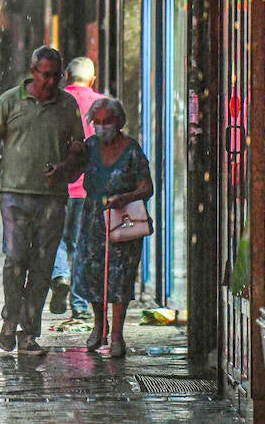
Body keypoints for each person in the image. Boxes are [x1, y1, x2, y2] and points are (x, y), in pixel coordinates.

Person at [0, 46, 86, 355]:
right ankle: (10, 318)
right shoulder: (11, 101)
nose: (50, 82)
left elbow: (79, 150)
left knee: (41, 265)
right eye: (44, 75)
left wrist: (64, 168)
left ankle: (28, 331)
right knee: (15, 261)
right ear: (33, 72)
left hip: (52, 197)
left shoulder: (67, 106)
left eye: (55, 76)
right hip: (15, 194)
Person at [72, 96, 154, 358]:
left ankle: (117, 334)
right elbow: (73, 173)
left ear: (118, 122)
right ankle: (99, 324)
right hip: (94, 217)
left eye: (108, 122)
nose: (102, 127)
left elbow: (147, 186)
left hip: (123, 221)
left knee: (121, 276)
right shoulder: (90, 146)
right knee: (93, 272)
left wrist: (125, 198)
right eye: (97, 122)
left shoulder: (131, 150)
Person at [48, 56, 101, 317]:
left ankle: (60, 276)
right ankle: (79, 306)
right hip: (90, 187)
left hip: (59, 184)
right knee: (82, 244)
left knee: (55, 237)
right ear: (93, 79)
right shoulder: (102, 106)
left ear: (66, 76)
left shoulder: (55, 103)